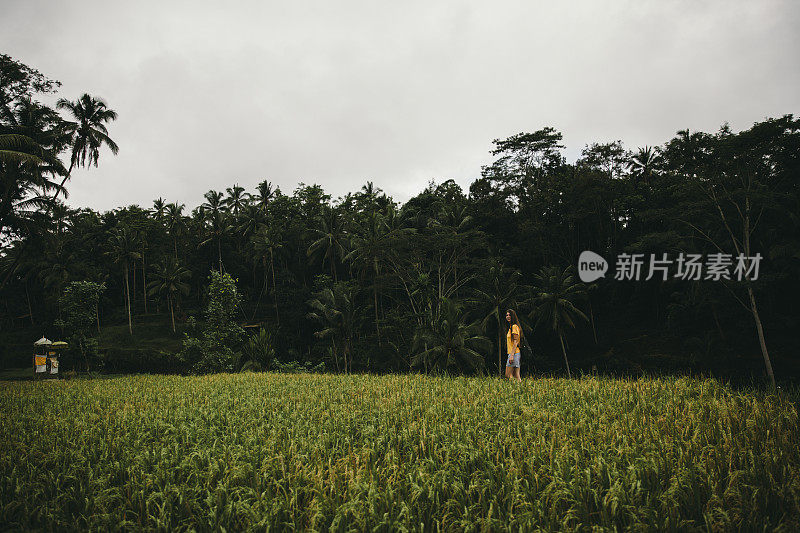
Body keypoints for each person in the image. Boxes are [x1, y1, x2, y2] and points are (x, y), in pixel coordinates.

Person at [505, 309, 522, 382]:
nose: (508, 316)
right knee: (516, 375)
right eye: (507, 315)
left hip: (514, 353)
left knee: (508, 375)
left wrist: (511, 355)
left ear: (513, 316)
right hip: (515, 353)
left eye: (509, 315)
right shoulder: (511, 327)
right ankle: (520, 390)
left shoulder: (514, 327)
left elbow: (515, 342)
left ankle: (515, 388)